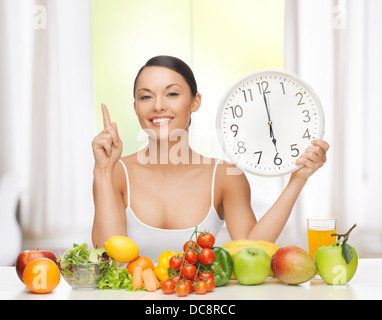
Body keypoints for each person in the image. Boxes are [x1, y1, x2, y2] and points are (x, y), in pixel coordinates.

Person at [91, 55, 329, 261]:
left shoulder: (226, 176)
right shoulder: (114, 172)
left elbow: (252, 250)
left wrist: (297, 180)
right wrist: (101, 172)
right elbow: (108, 257)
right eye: (146, 97)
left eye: (172, 93)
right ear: (135, 108)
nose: (158, 105)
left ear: (195, 102)